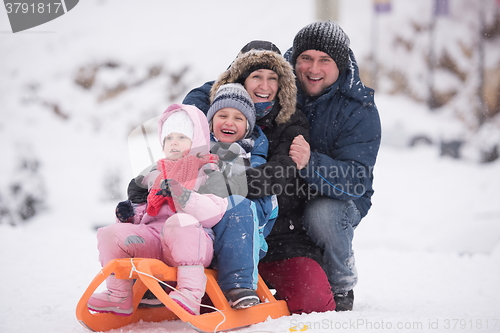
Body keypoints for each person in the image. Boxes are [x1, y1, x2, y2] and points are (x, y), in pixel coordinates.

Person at [183, 43, 337, 314]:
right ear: (241, 79)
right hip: (217, 228)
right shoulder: (216, 114)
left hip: (281, 236)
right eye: (256, 76)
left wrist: (227, 185)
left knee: (314, 304)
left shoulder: (291, 121)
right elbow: (177, 155)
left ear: (282, 84)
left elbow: (279, 173)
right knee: (205, 303)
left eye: (273, 78)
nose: (264, 85)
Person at [87, 104, 228, 316]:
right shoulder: (154, 174)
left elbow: (214, 211)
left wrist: (184, 196)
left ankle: (190, 293)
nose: (174, 143)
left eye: (181, 137)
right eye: (169, 138)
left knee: (179, 223)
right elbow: (146, 213)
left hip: (193, 240)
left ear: (197, 141)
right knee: (111, 234)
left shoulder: (209, 171)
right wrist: (130, 214)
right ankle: (119, 295)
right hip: (154, 241)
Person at [283, 21, 382, 311]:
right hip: (286, 188)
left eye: (324, 60)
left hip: (341, 198)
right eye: (306, 58)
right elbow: (227, 85)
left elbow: (356, 180)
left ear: (339, 63)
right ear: (294, 59)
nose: (314, 69)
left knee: (322, 214)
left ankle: (341, 284)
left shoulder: (358, 107)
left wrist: (309, 162)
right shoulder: (278, 80)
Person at [197, 82, 279, 308]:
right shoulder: (198, 151)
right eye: (222, 115)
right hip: (202, 229)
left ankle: (238, 285)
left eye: (238, 118)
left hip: (246, 236)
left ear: (248, 126)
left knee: (237, 207)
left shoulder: (255, 160)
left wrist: (224, 188)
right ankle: (157, 284)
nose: (229, 122)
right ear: (211, 121)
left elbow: (264, 208)